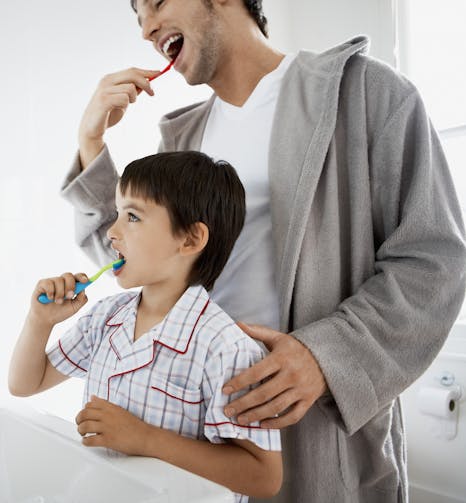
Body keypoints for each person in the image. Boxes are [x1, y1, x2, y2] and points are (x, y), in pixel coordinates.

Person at [59, 0, 466, 501]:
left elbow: (433, 261)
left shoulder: (368, 94)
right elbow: (133, 262)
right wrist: (90, 141)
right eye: (136, 16)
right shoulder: (179, 141)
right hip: (196, 444)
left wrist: (325, 356)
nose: (145, 28)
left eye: (156, 3)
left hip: (315, 438)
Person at [9, 151, 283, 501]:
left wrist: (145, 439)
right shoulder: (106, 318)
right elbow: (24, 384)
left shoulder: (226, 348)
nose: (112, 232)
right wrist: (39, 322)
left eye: (133, 217)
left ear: (190, 240)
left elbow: (264, 476)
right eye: (118, 214)